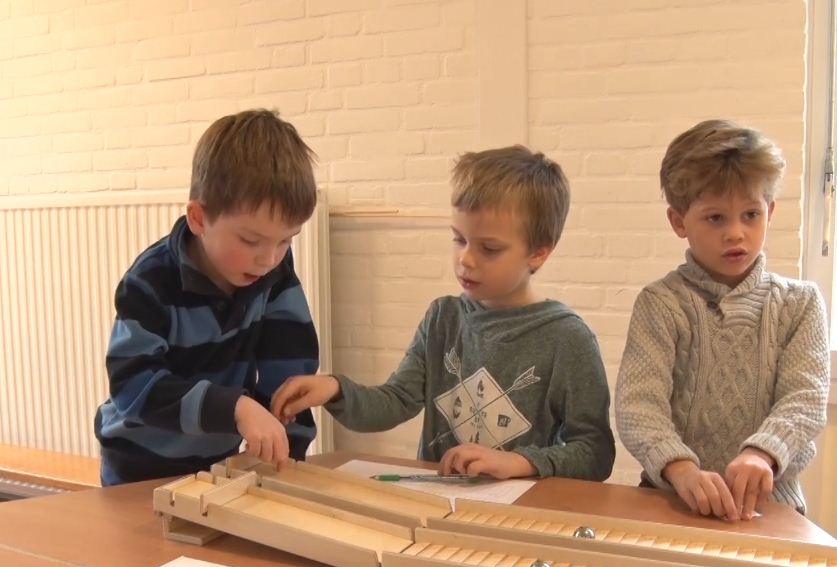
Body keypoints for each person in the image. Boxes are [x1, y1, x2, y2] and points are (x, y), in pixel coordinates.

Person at [272, 145, 615, 481]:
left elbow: (594, 452)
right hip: (440, 503)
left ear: (538, 253)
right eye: (459, 239)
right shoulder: (443, 317)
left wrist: (518, 462)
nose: (466, 259)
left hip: (520, 510)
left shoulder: (567, 338)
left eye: (489, 248)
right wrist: (335, 389)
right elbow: (396, 400)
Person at [616, 119, 829, 520]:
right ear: (679, 221)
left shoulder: (800, 304)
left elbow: (805, 398)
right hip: (675, 500)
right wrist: (681, 469)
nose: (735, 233)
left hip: (772, 505)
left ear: (770, 212)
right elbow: (638, 406)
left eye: (751, 214)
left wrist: (762, 453)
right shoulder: (660, 304)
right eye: (716, 218)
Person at [94, 109, 319, 485]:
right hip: (138, 469)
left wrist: (290, 456)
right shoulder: (150, 281)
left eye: (286, 240)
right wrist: (235, 408)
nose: (269, 259)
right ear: (198, 218)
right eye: (250, 240)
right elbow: (133, 387)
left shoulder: (274, 273)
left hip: (212, 466)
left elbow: (289, 378)